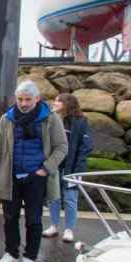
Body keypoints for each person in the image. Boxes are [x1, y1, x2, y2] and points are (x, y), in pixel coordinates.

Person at [0, 80, 69, 262]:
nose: (23, 103)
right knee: (10, 217)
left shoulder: (50, 118)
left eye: (28, 99)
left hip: (37, 176)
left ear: (37, 98)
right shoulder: (6, 119)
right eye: (20, 99)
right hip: (11, 176)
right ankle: (11, 253)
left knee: (34, 219)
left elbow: (62, 147)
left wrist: (45, 169)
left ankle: (30, 257)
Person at [43, 93, 92, 243]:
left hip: (73, 168)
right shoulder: (50, 119)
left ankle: (69, 229)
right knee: (54, 198)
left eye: (58, 101)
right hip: (54, 166)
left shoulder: (81, 121)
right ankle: (53, 226)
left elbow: (86, 147)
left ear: (67, 103)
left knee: (70, 199)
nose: (55, 103)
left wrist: (78, 168)